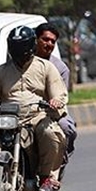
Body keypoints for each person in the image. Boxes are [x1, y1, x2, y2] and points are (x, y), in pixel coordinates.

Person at [0, 26, 68, 191]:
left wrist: (55, 101)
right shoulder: (1, 71)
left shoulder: (46, 67)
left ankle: (47, 177)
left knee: (51, 134)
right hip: (7, 117)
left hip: (37, 116)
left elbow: (59, 92)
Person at [35, 22, 78, 161]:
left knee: (66, 128)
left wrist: (55, 102)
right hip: (25, 110)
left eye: (52, 41)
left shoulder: (60, 68)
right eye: (45, 39)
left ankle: (59, 161)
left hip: (51, 112)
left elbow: (61, 95)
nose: (49, 44)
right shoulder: (23, 61)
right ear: (36, 39)